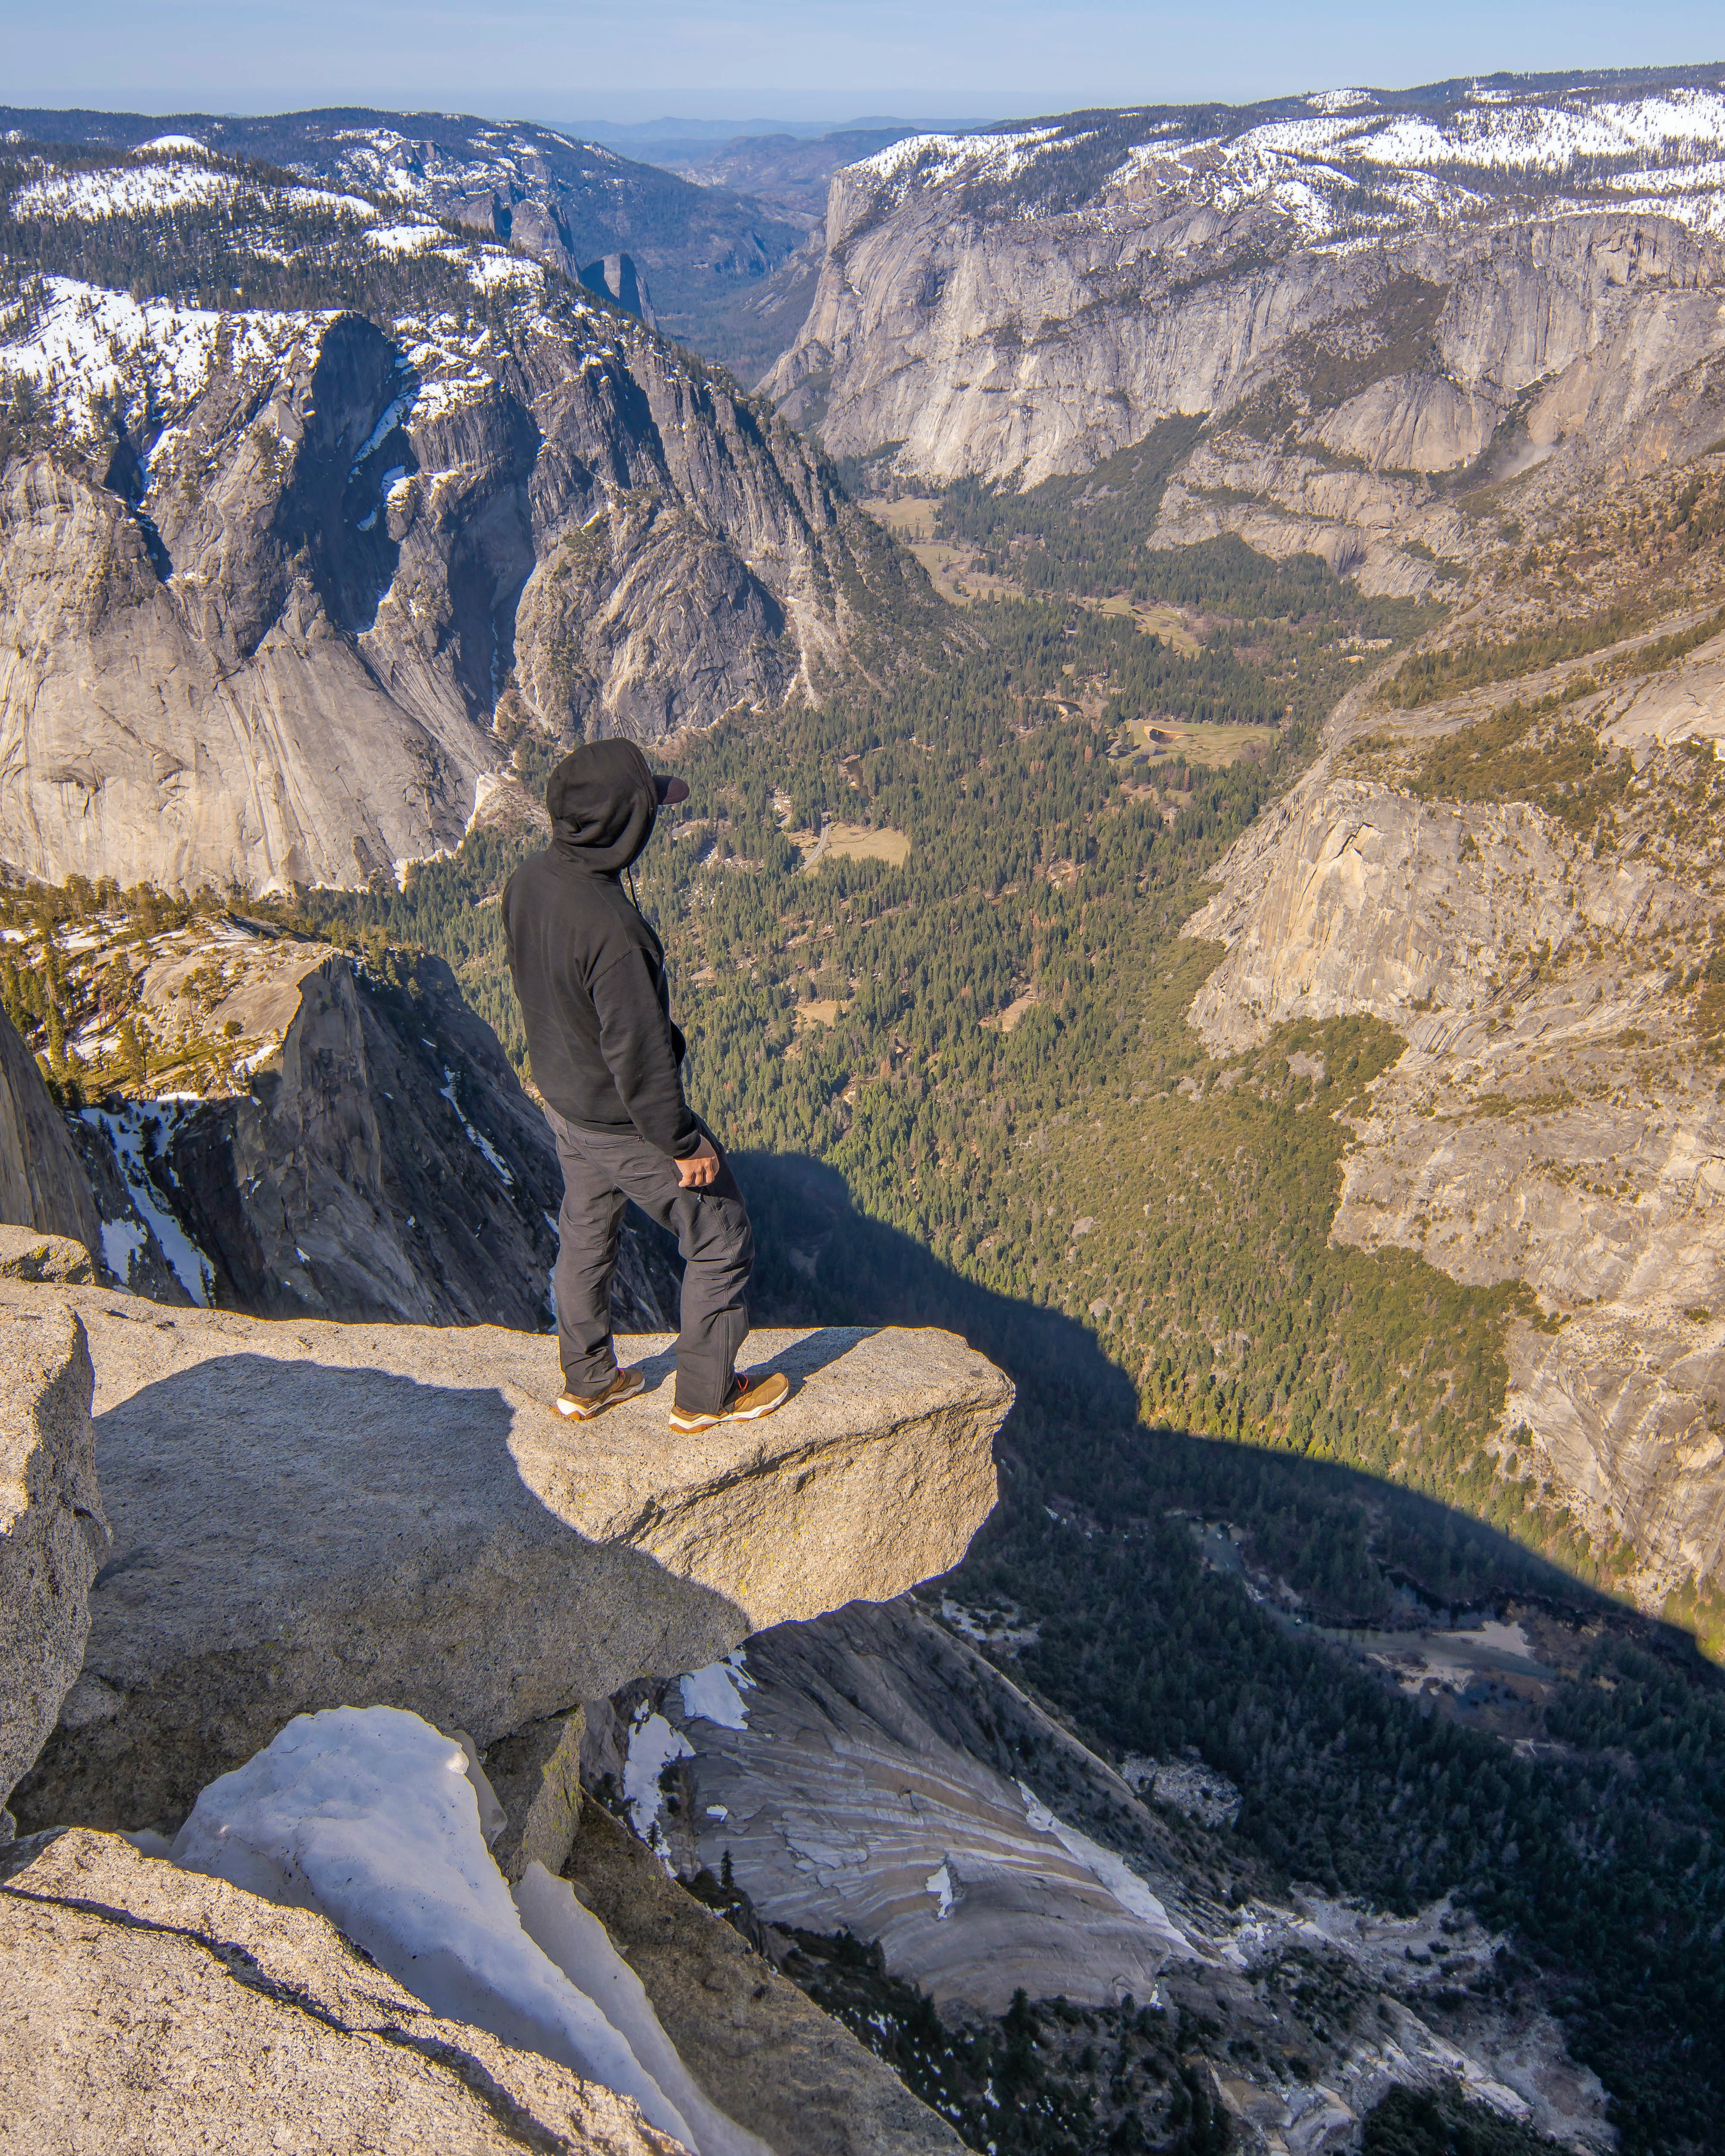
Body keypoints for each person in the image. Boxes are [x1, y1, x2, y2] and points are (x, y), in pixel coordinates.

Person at [503, 739, 790, 1432]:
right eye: (649, 809)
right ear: (624, 826)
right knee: (721, 1235)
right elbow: (637, 1055)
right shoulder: (613, 932)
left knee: (587, 1229)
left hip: (566, 1106)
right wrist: (681, 1141)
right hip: (625, 1118)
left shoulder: (529, 882)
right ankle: (707, 1395)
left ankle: (590, 1379)